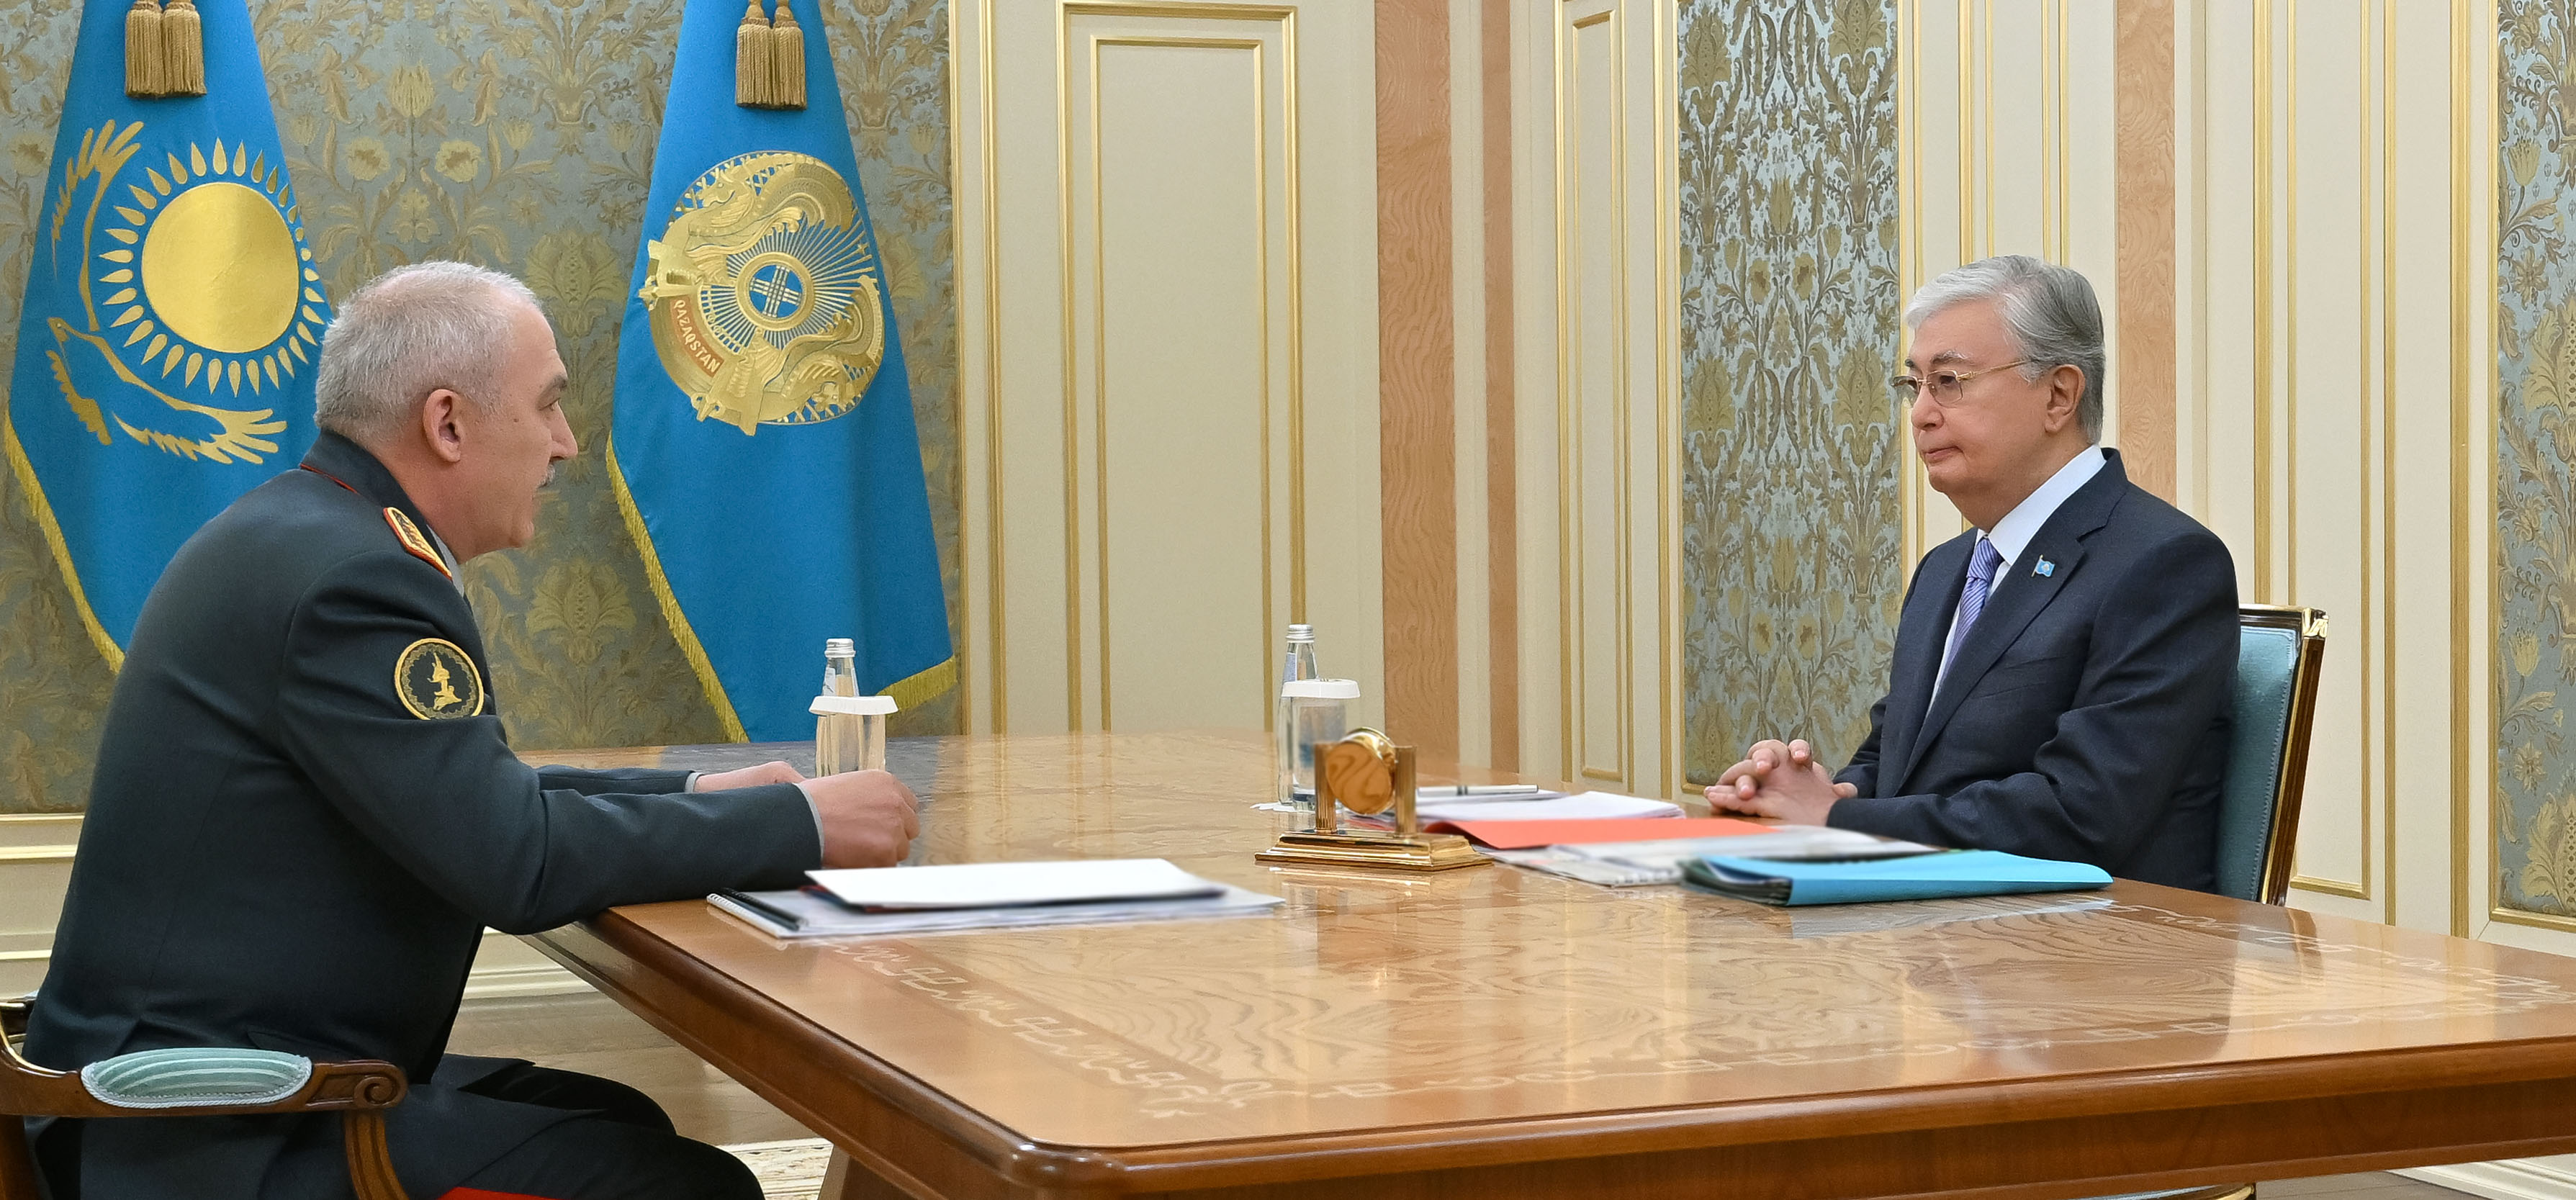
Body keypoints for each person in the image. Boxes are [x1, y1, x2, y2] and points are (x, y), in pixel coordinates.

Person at [23, 261, 921, 1200]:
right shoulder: (356, 580)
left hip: (208, 1083)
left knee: (623, 1124)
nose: (566, 443)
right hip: (200, 1127)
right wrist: (803, 825)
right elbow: (515, 859)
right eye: (548, 405)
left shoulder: (310, 532)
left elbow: (477, 793)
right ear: (447, 422)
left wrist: (697, 791)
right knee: (685, 1187)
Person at [1706, 255, 2237, 890]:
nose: (1920, 414)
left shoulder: (2163, 564)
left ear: (2059, 395)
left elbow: (2081, 813)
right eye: (1915, 385)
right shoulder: (1945, 568)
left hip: (2092, 939)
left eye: (1949, 381)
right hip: (1932, 924)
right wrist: (1816, 790)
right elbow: (1897, 760)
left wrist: (1838, 817)